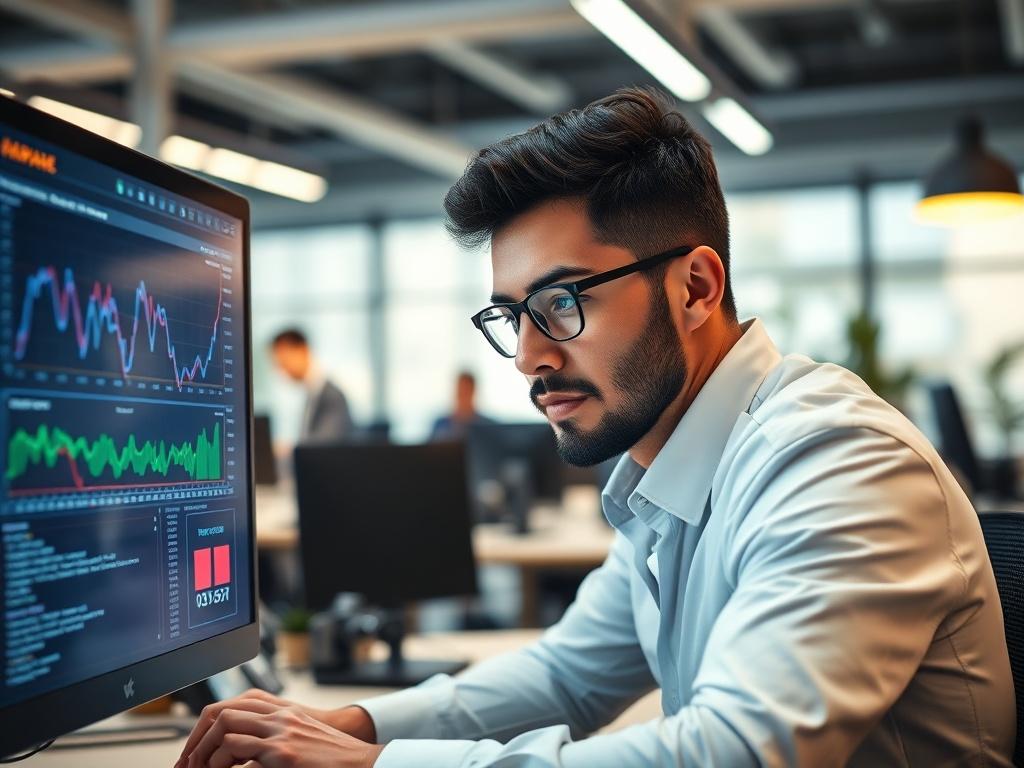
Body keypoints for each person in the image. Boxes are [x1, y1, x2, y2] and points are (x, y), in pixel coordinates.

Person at [178, 88, 1014, 767]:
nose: (528, 357)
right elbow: (570, 673)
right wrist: (352, 726)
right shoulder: (671, 473)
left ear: (695, 288)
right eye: (512, 315)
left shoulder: (835, 462)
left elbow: (735, 753)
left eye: (562, 303)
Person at [270, 328, 353, 445]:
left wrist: (288, 449)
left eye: (283, 362)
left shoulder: (332, 396)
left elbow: (323, 446)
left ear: (303, 350)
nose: (282, 370)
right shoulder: (313, 392)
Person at [429, 370, 494, 441]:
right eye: (460, 391)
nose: (462, 396)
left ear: (473, 392)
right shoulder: (440, 425)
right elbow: (429, 450)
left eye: (466, 391)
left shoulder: (487, 426)